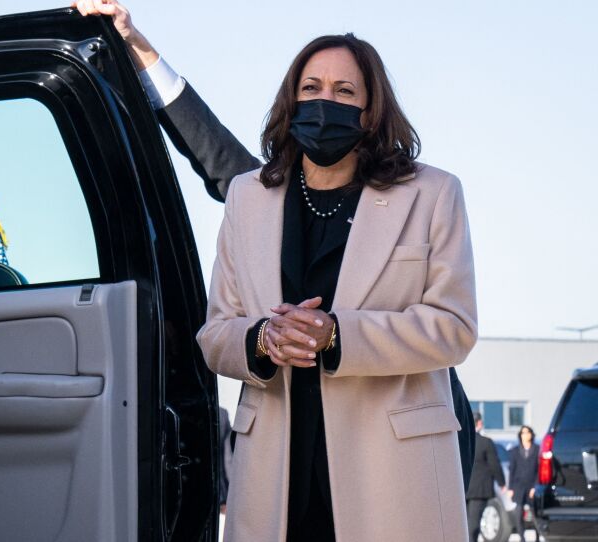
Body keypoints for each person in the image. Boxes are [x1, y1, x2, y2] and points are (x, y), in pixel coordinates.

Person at [75, 3, 477, 540]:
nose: (324, 103)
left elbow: (453, 327)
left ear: (371, 109)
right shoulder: (253, 196)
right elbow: (217, 331)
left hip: (393, 474)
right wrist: (261, 340)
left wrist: (339, 336)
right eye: (310, 88)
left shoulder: (431, 193)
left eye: (345, 92)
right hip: (279, 474)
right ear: (291, 101)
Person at [466, 412, 507, 542]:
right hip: (480, 490)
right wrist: (502, 483)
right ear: (479, 423)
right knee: (473, 524)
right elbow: (495, 465)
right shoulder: (486, 442)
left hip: (462, 489)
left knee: (465, 523)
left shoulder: (459, 442)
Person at [507, 424, 538, 537]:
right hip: (518, 486)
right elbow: (512, 470)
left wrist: (535, 486)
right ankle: (522, 537)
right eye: (523, 433)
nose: (525, 435)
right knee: (518, 513)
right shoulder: (515, 451)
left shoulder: (537, 449)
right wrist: (510, 488)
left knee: (535, 513)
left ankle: (537, 537)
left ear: (531, 434)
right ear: (520, 435)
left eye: (527, 432)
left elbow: (539, 470)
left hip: (532, 486)